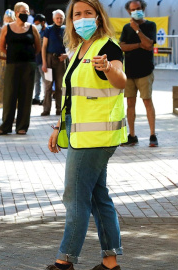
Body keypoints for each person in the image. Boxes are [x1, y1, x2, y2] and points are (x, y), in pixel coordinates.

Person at [47, 0, 127, 269]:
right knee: (97, 196)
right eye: (76, 14)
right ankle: (110, 262)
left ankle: (64, 261)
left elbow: (121, 81)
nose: (81, 18)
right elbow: (71, 96)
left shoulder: (107, 47)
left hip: (96, 138)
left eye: (87, 13)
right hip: (81, 136)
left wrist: (107, 68)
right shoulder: (79, 48)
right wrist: (59, 128)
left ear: (98, 16)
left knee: (75, 198)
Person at [0, 2, 41, 136]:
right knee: (9, 95)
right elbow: (1, 46)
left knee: (26, 96)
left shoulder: (32, 28)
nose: (26, 14)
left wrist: (28, 55)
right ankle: (5, 126)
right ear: (16, 13)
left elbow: (37, 47)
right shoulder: (7, 28)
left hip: (28, 65)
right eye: (23, 11)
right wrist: (12, 54)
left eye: (27, 12)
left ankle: (22, 126)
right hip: (12, 65)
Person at [120, 0, 158, 147]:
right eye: (133, 9)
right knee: (130, 104)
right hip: (129, 72)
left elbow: (149, 45)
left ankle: (153, 135)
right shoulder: (125, 28)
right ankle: (132, 135)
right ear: (129, 12)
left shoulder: (150, 25)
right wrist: (138, 45)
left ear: (143, 8)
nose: (136, 11)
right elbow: (122, 46)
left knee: (147, 101)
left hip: (145, 72)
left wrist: (137, 30)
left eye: (138, 8)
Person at [41, 9, 67, 116]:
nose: (59, 20)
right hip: (49, 59)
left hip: (61, 60)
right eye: (57, 18)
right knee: (48, 85)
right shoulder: (48, 29)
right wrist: (44, 63)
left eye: (61, 18)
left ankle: (59, 108)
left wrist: (66, 56)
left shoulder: (66, 30)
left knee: (60, 86)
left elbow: (70, 45)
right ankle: (46, 109)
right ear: (53, 19)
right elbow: (44, 47)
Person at [32, 14, 47, 105]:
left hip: (43, 61)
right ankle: (36, 97)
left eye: (37, 23)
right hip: (36, 60)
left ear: (43, 22)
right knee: (37, 80)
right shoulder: (37, 32)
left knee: (46, 81)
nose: (36, 25)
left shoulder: (47, 31)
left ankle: (45, 98)